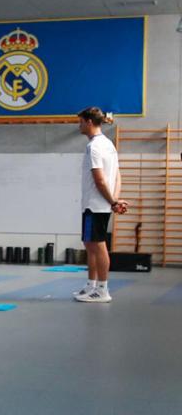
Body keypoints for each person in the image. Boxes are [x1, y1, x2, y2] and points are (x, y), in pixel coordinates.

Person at [74, 107, 126, 303]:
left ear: (88, 122)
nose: (79, 126)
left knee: (98, 246)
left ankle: (103, 290)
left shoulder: (94, 147)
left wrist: (112, 201)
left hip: (95, 205)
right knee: (90, 245)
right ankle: (91, 286)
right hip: (98, 204)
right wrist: (114, 201)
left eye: (80, 122)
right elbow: (118, 177)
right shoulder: (108, 145)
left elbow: (100, 180)